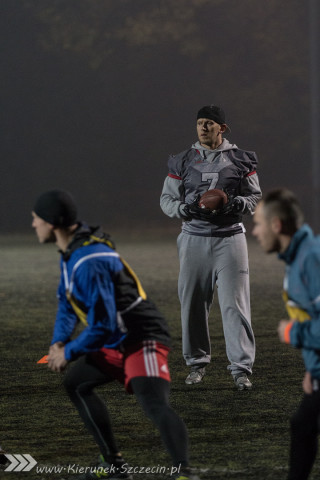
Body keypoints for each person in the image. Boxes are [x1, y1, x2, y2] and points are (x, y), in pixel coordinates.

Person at [32, 189, 201, 480]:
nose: (33, 224)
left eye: (36, 219)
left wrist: (69, 352)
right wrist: (58, 341)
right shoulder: (74, 250)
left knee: (154, 404)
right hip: (117, 338)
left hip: (140, 337)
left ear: (52, 222)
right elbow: (66, 301)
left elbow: (104, 325)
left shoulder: (88, 259)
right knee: (77, 383)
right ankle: (114, 465)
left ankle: (184, 473)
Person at [160, 105, 261, 389]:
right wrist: (185, 208)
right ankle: (196, 364)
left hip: (230, 238)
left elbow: (254, 196)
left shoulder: (241, 159)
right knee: (192, 304)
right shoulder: (182, 161)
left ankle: (241, 369)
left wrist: (236, 203)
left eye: (210, 123)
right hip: (194, 237)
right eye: (200, 123)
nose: (203, 127)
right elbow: (167, 200)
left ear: (222, 128)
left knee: (235, 306)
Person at [252, 188, 320, 480]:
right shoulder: (299, 257)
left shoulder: (311, 260)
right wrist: (314, 370)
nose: (254, 231)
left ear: (276, 225)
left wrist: (293, 332)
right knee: (303, 424)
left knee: (303, 425)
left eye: (258, 223)